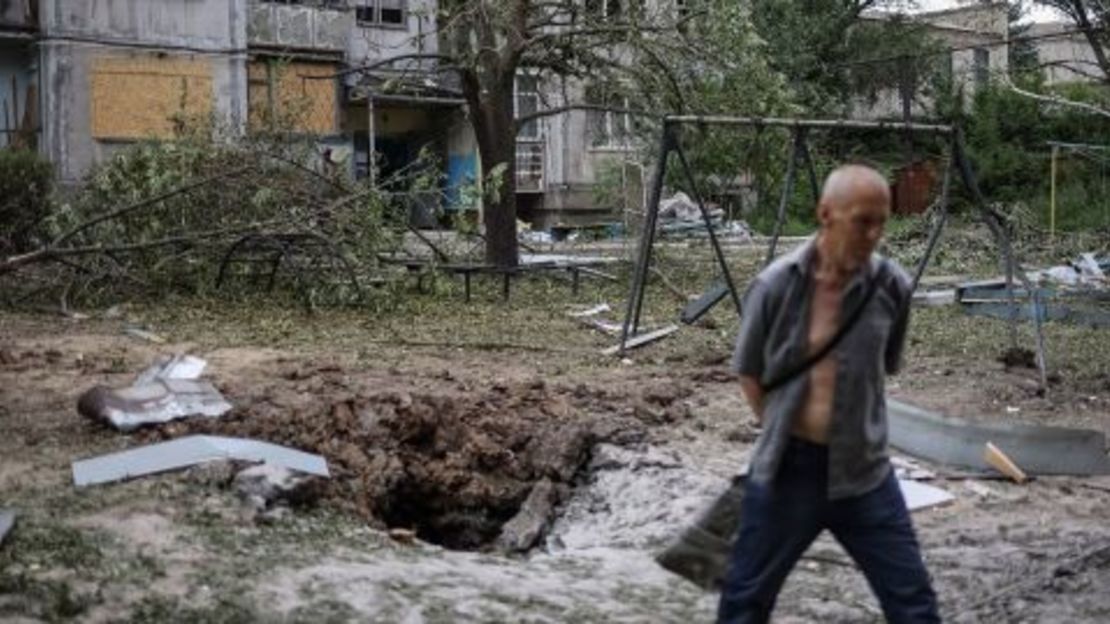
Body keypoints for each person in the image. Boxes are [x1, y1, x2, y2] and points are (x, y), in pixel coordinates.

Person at [718, 165, 940, 623]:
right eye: (863, 220)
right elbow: (750, 373)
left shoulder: (891, 287)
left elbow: (883, 368)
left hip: (866, 472)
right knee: (743, 603)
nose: (875, 234)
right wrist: (782, 429)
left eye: (883, 221)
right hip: (786, 471)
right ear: (825, 213)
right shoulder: (775, 286)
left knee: (914, 604)